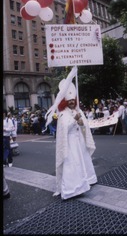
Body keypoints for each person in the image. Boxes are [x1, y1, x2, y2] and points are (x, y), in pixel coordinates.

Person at [44, 66, 97, 200]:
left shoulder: (78, 111)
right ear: (65, 101)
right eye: (70, 100)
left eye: (73, 100)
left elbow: (84, 126)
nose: (72, 102)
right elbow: (64, 129)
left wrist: (81, 123)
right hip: (69, 144)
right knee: (72, 165)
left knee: (82, 162)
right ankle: (71, 189)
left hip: (80, 141)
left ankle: (87, 180)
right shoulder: (62, 114)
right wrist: (74, 121)